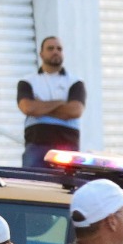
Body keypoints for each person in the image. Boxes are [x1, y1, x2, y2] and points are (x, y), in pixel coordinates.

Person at [18, 36, 86, 167]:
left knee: (67, 186)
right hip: (36, 145)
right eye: (50, 48)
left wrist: (40, 107)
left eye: (59, 49)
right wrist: (61, 102)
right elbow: (28, 108)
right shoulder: (27, 81)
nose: (55, 51)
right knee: (32, 184)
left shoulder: (75, 82)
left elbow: (75, 110)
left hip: (68, 146)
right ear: (41, 53)